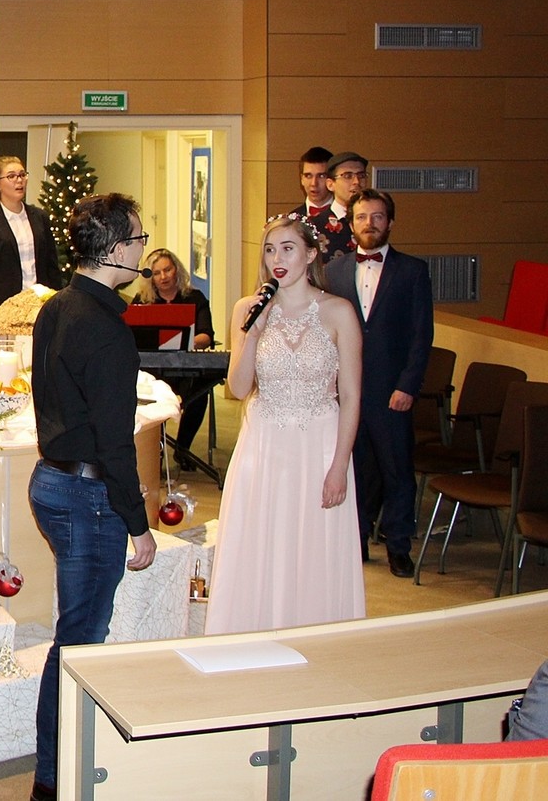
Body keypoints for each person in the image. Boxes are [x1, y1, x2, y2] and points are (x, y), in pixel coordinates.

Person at [26, 193, 156, 801]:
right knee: (79, 642)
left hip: (52, 482)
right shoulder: (106, 330)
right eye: (138, 239)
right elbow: (115, 442)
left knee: (75, 633)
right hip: (86, 495)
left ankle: (61, 768)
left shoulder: (57, 306)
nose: (143, 249)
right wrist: (138, 522)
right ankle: (53, 779)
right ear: (117, 250)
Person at [209, 212, 365, 633]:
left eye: (288, 249)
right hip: (264, 444)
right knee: (262, 542)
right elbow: (238, 388)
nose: (277, 259)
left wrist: (339, 466)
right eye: (269, 250)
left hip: (319, 445)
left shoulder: (339, 312)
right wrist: (254, 333)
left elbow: (351, 396)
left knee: (313, 546)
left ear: (310, 254)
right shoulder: (248, 308)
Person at [326, 189, 434, 578]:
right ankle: (354, 542)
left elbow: (422, 335)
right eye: (361, 217)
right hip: (345, 392)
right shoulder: (333, 271)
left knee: (397, 472)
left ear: (390, 222)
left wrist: (408, 386)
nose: (369, 224)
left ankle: (399, 546)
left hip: (392, 392)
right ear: (351, 224)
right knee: (353, 470)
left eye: (377, 217)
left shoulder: (413, 271)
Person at [131, 248, 215, 453]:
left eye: (167, 270)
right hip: (153, 369)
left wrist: (182, 342)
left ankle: (182, 448)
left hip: (186, 368)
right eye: (157, 273)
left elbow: (206, 336)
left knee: (199, 394)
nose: (163, 277)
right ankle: (156, 452)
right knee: (149, 397)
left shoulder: (195, 298)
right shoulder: (142, 301)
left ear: (177, 269)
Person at [0, 155, 61, 329]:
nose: (19, 180)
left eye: (22, 175)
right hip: (4, 313)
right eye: (11, 176)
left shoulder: (40, 217)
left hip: (40, 308)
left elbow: (52, 268)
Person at [320, 151, 370, 263]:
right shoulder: (314, 226)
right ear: (330, 184)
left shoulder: (373, 221)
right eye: (348, 176)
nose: (356, 182)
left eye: (361, 176)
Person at [293, 146, 334, 219]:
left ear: (332, 179)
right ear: (301, 179)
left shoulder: (349, 217)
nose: (314, 183)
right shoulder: (291, 220)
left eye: (321, 176)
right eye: (308, 176)